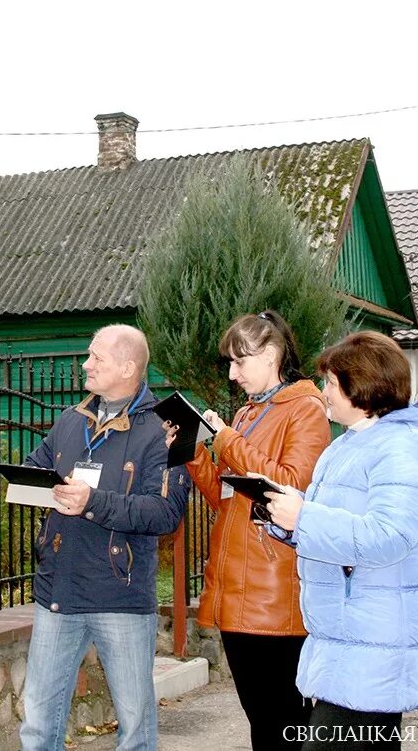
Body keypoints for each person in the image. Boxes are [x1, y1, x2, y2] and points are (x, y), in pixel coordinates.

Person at [266, 331, 418, 749]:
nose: (324, 393)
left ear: (363, 386)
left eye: (332, 383)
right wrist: (289, 516)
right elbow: (339, 527)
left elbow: (390, 536)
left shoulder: (406, 448)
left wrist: (306, 517)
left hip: (377, 639)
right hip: (349, 638)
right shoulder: (347, 445)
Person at [19, 324, 190, 751]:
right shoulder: (69, 421)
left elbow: (166, 512)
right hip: (58, 592)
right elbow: (33, 473)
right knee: (38, 724)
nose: (85, 364)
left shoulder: (168, 429)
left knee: (135, 730)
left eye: (97, 357)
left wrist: (92, 501)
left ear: (128, 366)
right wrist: (35, 484)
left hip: (121, 599)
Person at [167, 310, 331, 751]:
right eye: (231, 363)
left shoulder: (306, 409)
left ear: (273, 354)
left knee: (281, 719)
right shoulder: (245, 415)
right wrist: (191, 449)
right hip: (237, 587)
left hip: (274, 591)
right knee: (263, 718)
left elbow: (292, 484)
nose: (233, 373)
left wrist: (225, 441)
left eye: (240, 361)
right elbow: (224, 494)